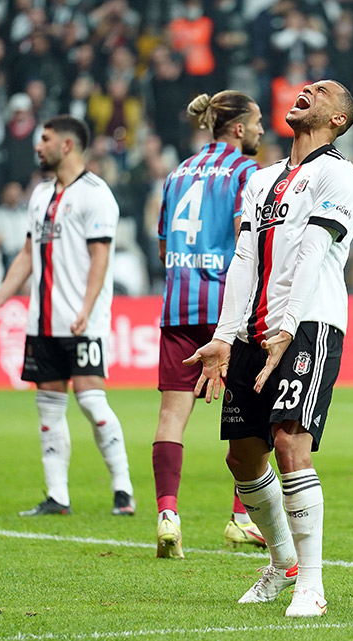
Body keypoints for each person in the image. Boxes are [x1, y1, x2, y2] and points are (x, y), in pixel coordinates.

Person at [185, 79, 353, 617]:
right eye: (307, 86)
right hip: (251, 331)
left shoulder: (337, 174)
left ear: (337, 119)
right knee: (242, 455)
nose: (308, 89)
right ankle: (283, 561)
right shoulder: (260, 180)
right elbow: (243, 259)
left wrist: (287, 325)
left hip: (309, 323)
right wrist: (223, 335)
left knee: (290, 443)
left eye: (322, 91)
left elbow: (313, 251)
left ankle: (312, 584)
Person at [0, 115, 136, 516]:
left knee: (91, 401)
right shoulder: (40, 195)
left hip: (82, 320)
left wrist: (86, 308)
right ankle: (58, 496)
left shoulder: (96, 194)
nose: (37, 146)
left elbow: (100, 257)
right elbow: (28, 254)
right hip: (42, 321)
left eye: (45, 139)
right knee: (48, 408)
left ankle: (123, 488)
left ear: (67, 145)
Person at [153, 90, 266, 559]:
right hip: (227, 313)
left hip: (178, 308)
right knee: (250, 416)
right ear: (238, 128)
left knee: (171, 416)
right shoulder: (246, 172)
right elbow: (248, 243)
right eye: (257, 122)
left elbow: (164, 246)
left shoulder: (177, 172)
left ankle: (167, 516)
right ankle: (242, 518)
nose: (261, 130)